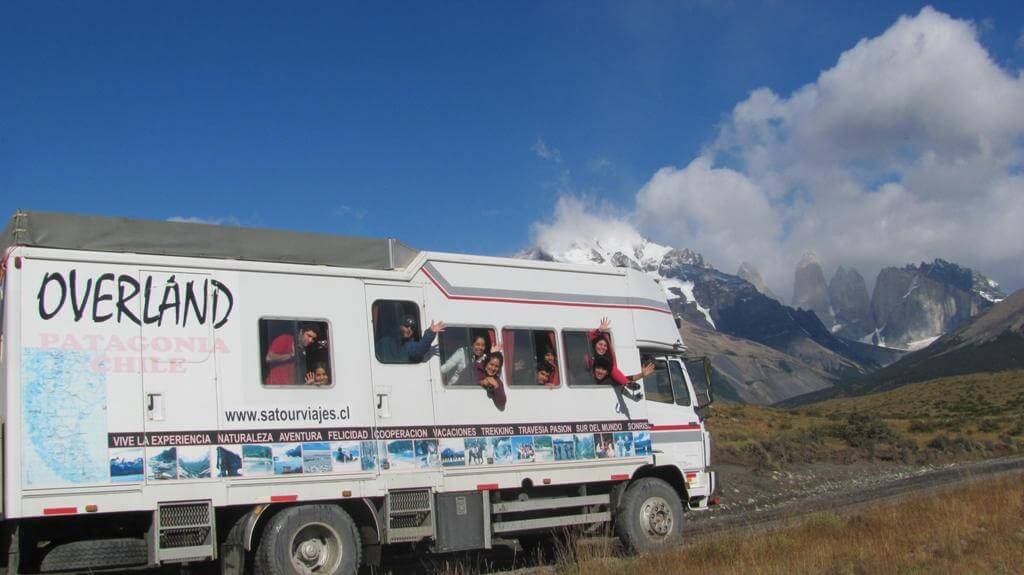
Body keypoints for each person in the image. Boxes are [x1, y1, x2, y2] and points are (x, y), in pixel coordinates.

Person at [586, 317, 654, 388]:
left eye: (605, 346)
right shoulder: (589, 356)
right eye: (600, 344)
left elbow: (620, 377)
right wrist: (599, 330)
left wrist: (639, 376)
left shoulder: (607, 362)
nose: (603, 347)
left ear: (607, 372)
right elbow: (588, 337)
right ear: (595, 345)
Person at [377, 315, 446, 363]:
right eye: (406, 326)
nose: (409, 329)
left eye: (412, 328)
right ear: (399, 326)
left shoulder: (408, 346)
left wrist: (430, 333)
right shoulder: (384, 341)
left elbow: (420, 349)